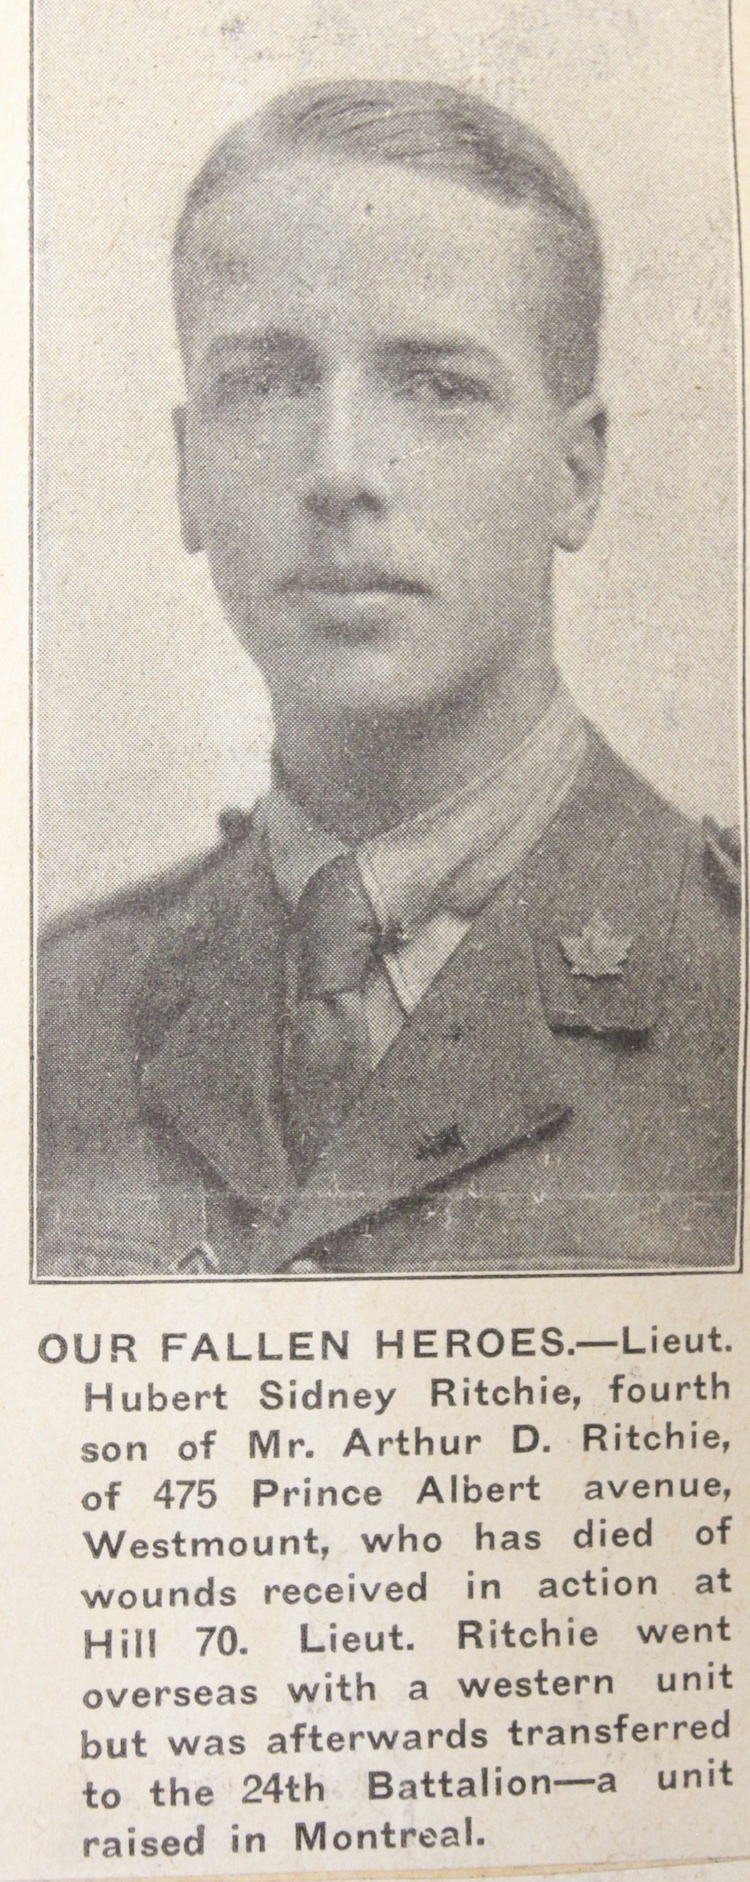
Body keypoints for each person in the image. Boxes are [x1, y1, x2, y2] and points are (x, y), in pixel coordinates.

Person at [37, 79, 741, 1279]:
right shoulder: (62, 1012)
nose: (339, 470)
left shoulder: (725, 986)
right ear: (187, 471)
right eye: (266, 381)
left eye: (438, 386)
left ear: (575, 475)